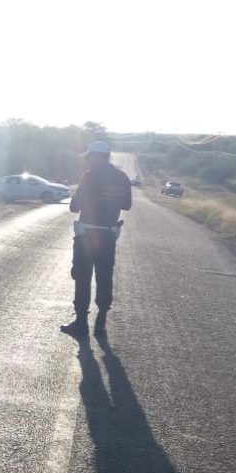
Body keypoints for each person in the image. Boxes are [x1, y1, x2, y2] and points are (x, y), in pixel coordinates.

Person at [61, 141, 132, 338]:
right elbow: (127, 205)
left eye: (91, 157)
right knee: (104, 277)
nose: (89, 161)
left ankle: (81, 323)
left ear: (98, 156)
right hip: (108, 236)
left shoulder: (89, 177)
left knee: (82, 277)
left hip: (87, 235)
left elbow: (75, 207)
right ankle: (101, 322)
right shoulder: (122, 177)